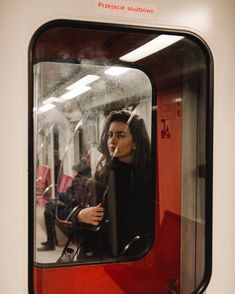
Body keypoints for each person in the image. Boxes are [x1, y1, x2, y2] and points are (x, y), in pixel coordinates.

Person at [72, 109, 151, 260]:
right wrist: (80, 215)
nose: (112, 141)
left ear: (135, 143)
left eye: (120, 135)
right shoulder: (103, 175)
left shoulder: (148, 177)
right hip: (100, 254)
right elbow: (79, 209)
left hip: (133, 256)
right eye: (110, 135)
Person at [38, 159, 91, 251]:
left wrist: (62, 195)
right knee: (50, 207)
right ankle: (51, 241)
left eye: (73, 171)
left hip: (73, 212)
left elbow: (75, 200)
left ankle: (51, 243)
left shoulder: (80, 181)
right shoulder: (81, 180)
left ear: (78, 171)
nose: (72, 173)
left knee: (49, 211)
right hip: (72, 208)